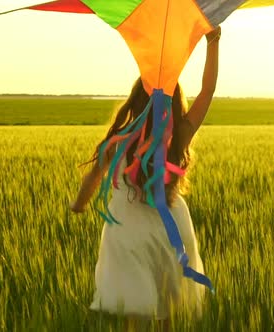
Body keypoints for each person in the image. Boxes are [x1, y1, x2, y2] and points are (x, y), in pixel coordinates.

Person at [70, 26, 221, 330]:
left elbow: (92, 179)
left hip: (128, 227)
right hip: (171, 226)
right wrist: (213, 42)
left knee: (135, 307)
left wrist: (79, 205)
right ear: (176, 101)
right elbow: (207, 92)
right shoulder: (180, 134)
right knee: (167, 304)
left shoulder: (120, 141)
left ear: (136, 101)